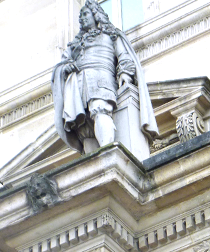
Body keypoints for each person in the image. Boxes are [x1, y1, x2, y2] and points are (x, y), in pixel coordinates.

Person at [52, 1, 157, 154]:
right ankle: (93, 164)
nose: (81, 18)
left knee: (100, 110)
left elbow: (124, 57)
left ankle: (108, 152)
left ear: (96, 15)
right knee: (83, 128)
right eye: (80, 16)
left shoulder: (111, 34)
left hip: (101, 80)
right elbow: (62, 64)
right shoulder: (74, 45)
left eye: (85, 14)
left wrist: (124, 74)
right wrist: (66, 68)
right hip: (78, 86)